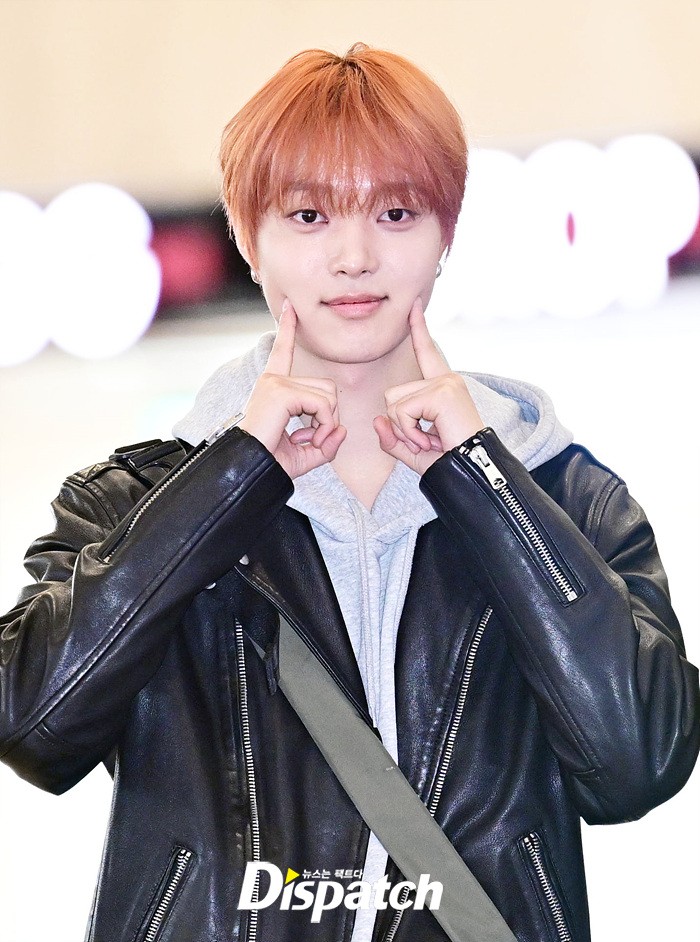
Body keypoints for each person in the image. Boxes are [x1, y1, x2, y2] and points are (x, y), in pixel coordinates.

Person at [0, 43, 698, 942]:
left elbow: (638, 765)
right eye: (309, 215)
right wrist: (232, 478)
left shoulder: (566, 497)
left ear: (447, 233)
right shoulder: (129, 501)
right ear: (249, 238)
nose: (356, 256)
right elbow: (36, 727)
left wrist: (482, 483)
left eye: (396, 213)